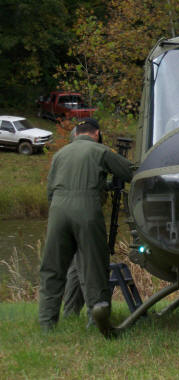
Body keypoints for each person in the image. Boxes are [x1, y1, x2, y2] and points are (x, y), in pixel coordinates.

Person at [38, 118, 133, 332]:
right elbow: (131, 172)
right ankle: (96, 320)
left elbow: (50, 191)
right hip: (87, 210)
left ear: (77, 133)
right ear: (96, 133)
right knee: (94, 266)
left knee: (52, 267)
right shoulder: (100, 151)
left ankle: (46, 324)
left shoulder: (60, 154)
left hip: (57, 210)